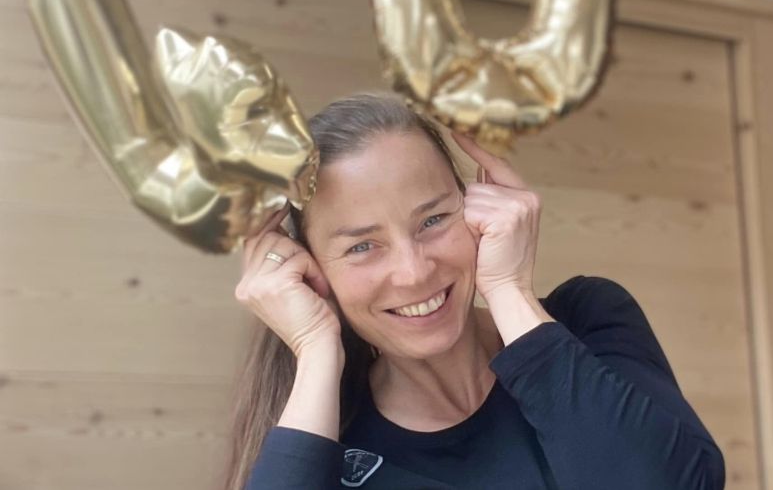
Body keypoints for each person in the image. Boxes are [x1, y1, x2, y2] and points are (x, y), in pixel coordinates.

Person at [223, 92, 726, 490]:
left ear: (479, 205)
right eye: (362, 246)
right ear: (310, 266)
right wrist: (314, 349)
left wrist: (509, 289)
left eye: (434, 220)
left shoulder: (587, 319)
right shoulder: (328, 439)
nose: (413, 271)